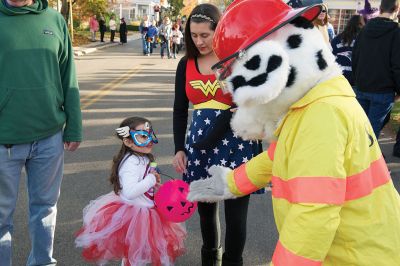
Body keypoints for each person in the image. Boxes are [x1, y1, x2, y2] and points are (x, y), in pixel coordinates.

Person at [186, 0, 400, 265]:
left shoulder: (321, 116)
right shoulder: (311, 103)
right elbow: (279, 155)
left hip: (354, 256)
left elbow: (313, 215)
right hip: (352, 248)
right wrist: (229, 183)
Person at [172, 4, 263, 266]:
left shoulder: (237, 60)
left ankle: (234, 262)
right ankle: (210, 259)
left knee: (236, 217)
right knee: (205, 214)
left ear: (219, 31)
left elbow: (256, 100)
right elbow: (180, 110)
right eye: (194, 35)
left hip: (237, 144)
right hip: (199, 147)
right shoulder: (185, 64)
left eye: (205, 35)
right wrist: (180, 148)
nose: (198, 41)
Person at [0, 0, 82, 265]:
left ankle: (42, 262)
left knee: (45, 210)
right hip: (4, 138)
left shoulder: (55, 20)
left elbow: (68, 76)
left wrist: (74, 125)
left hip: (49, 137)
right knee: (1, 218)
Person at [75, 117, 186, 266]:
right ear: (128, 141)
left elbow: (143, 184)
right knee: (134, 254)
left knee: (139, 253)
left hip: (148, 210)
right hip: (135, 216)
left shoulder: (143, 157)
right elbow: (130, 192)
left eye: (149, 134)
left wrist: (154, 185)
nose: (149, 140)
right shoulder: (131, 162)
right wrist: (150, 180)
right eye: (142, 136)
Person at [352, 0, 400, 139]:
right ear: (397, 8)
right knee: (370, 133)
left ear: (380, 8)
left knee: (362, 129)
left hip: (363, 87)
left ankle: (361, 158)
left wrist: (358, 82)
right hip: (382, 91)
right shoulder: (396, 33)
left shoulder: (364, 30)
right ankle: (367, 159)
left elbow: (355, 59)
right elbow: (397, 65)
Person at [331, 14, 365, 86]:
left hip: (338, 77)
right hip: (355, 80)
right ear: (360, 25)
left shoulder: (337, 39)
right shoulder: (363, 40)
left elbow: (331, 57)